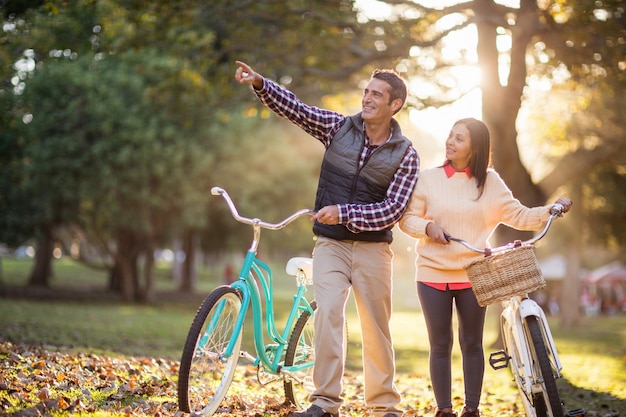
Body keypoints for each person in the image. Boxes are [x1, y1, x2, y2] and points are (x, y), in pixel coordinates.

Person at [235, 60, 420, 417]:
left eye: (376, 95)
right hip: (330, 244)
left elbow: (393, 209)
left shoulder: (406, 153)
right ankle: (325, 402)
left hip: (373, 250)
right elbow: (298, 110)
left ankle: (383, 405)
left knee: (376, 328)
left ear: (394, 104)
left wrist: (346, 213)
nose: (367, 99)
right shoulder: (339, 127)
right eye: (366, 92)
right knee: (329, 313)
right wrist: (260, 83)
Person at [398, 118, 572, 417]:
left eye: (459, 138)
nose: (450, 142)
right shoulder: (427, 178)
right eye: (450, 135)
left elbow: (519, 215)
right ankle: (444, 410)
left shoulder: (489, 182)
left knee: (472, 343)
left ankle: (471, 409)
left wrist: (551, 209)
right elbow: (407, 219)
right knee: (440, 344)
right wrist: (428, 227)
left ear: (475, 148)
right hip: (431, 274)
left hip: (473, 274)